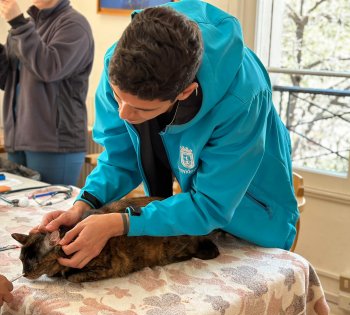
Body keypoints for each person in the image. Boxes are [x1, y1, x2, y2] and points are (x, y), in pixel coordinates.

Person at [38, 2, 299, 270]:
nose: (124, 114)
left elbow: (210, 204)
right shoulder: (118, 66)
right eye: (117, 98)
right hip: (191, 220)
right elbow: (120, 159)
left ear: (184, 93)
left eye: (141, 108)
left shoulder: (243, 98)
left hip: (251, 222)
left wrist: (120, 223)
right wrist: (85, 204)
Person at [0, 0, 94, 185]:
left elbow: (49, 68)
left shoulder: (74, 25)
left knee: (52, 212)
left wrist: (18, 23)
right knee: (18, 211)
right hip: (18, 139)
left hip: (55, 144)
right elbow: (9, 81)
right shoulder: (26, 26)